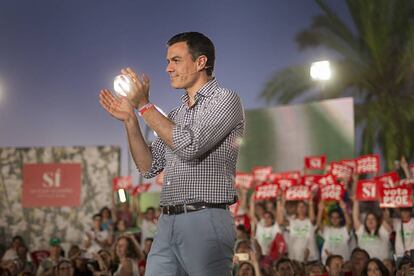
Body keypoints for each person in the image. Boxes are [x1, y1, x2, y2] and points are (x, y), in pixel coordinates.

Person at [99, 31, 244, 275]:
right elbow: (148, 167)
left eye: (175, 60)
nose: (168, 68)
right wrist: (131, 122)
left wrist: (145, 106)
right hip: (167, 221)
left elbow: (190, 145)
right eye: (168, 61)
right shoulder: (175, 114)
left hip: (206, 219)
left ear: (201, 62)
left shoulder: (226, 100)